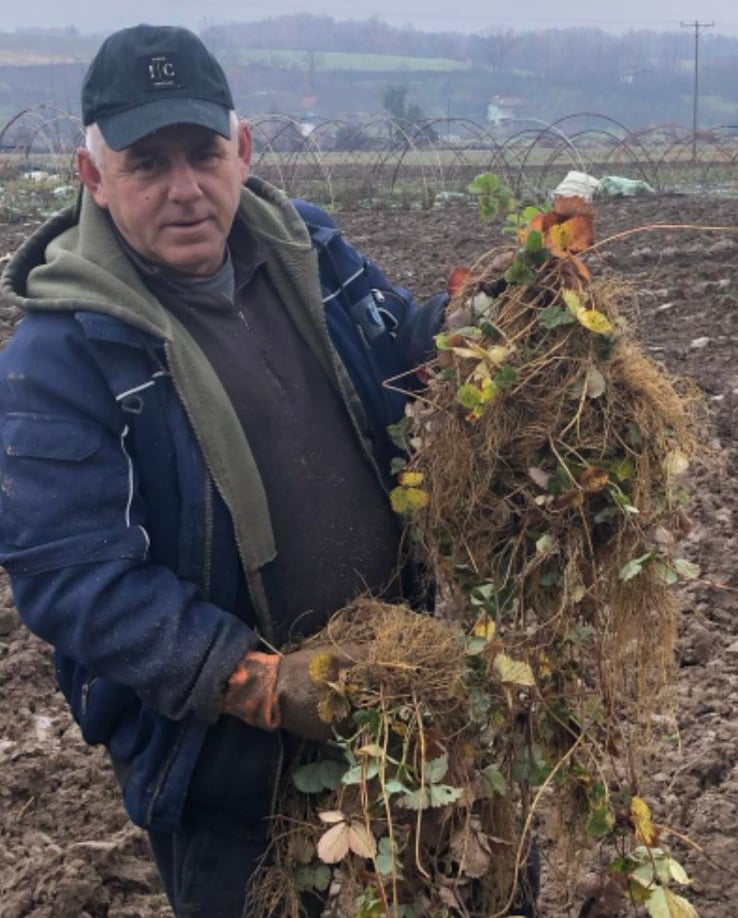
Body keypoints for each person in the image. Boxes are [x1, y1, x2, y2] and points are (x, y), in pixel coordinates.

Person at [0, 24, 537, 917]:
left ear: (242, 150)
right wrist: (260, 683)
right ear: (92, 174)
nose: (184, 189)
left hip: (405, 706)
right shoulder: (57, 360)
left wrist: (487, 316)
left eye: (204, 154)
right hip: (233, 786)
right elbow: (75, 580)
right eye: (147, 163)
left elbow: (401, 352)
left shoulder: (307, 250)